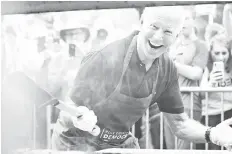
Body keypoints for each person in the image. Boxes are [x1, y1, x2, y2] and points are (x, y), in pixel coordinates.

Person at [51, 6, 232, 151]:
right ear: (142, 22)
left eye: (168, 32)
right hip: (75, 142)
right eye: (154, 27)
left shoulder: (167, 69)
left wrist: (212, 133)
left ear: (177, 36)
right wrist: (78, 115)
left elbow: (180, 125)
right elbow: (69, 108)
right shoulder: (106, 56)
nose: (158, 37)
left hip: (119, 142)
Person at [164, 14, 208, 149]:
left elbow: (196, 73)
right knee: (170, 149)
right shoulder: (172, 45)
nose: (182, 23)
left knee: (184, 149)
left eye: (186, 19)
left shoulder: (201, 45)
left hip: (189, 104)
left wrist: (172, 64)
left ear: (193, 21)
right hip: (168, 104)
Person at [197, 32, 232, 150]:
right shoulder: (206, 67)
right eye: (216, 53)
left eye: (224, 53)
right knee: (214, 150)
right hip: (211, 115)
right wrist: (211, 83)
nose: (221, 57)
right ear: (210, 53)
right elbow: (201, 95)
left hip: (229, 113)